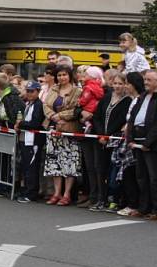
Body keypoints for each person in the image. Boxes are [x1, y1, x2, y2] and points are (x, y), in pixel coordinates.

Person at [42, 64, 82, 206]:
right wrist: (53, 116)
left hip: (69, 130)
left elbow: (76, 109)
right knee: (54, 162)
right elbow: (45, 105)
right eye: (59, 75)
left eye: (64, 75)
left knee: (69, 162)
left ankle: (67, 194)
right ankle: (57, 193)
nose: (62, 77)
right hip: (53, 129)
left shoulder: (77, 91)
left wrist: (61, 115)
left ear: (70, 76)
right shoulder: (53, 89)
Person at [90, 70, 130, 212]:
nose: (117, 86)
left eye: (120, 83)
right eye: (115, 83)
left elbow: (122, 120)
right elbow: (97, 116)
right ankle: (101, 199)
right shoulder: (106, 97)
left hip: (115, 140)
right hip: (101, 139)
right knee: (99, 168)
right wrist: (101, 134)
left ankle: (114, 199)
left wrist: (109, 135)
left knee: (114, 171)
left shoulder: (127, 101)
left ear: (125, 85)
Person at [125, 69, 157, 219]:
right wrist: (129, 138)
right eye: (145, 80)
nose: (145, 83)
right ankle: (143, 207)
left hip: (151, 144)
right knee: (141, 177)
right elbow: (132, 118)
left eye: (149, 80)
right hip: (136, 141)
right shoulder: (142, 97)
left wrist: (148, 142)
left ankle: (155, 209)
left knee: (153, 178)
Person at [0, 72, 24, 196]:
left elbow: (17, 113)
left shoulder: (11, 96)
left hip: (10, 133)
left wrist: (16, 124)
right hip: (0, 132)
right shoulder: (0, 96)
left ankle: (7, 188)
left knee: (9, 162)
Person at [116, 72, 144, 216]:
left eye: (126, 83)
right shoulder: (132, 99)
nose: (125, 86)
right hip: (128, 139)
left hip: (134, 140)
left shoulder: (139, 99)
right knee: (128, 172)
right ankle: (131, 203)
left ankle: (134, 204)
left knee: (132, 173)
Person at [15, 81, 46, 202]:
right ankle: (27, 190)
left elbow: (35, 123)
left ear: (38, 92)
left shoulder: (38, 105)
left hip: (34, 141)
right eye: (27, 91)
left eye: (32, 91)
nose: (29, 93)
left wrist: (21, 124)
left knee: (32, 167)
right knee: (26, 166)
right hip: (25, 139)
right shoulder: (28, 103)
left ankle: (31, 193)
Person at [78, 66, 105, 133]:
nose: (85, 75)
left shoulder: (88, 87)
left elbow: (85, 98)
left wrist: (80, 102)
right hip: (95, 106)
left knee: (82, 116)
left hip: (89, 107)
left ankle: (87, 124)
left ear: (91, 76)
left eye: (86, 74)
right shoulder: (99, 86)